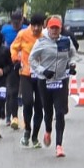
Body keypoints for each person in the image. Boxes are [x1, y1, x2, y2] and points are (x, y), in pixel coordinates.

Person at [29, 15, 79, 156]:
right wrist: (43, 71)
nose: (55, 31)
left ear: (60, 28)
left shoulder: (66, 41)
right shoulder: (41, 42)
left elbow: (73, 54)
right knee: (48, 111)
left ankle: (59, 146)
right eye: (52, 28)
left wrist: (72, 65)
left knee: (60, 112)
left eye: (57, 28)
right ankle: (48, 130)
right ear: (48, 28)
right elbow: (31, 59)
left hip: (61, 80)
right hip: (45, 81)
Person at [9, 13, 45, 145]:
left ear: (43, 25)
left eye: (39, 26)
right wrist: (16, 60)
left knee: (39, 106)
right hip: (26, 73)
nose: (36, 28)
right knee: (28, 102)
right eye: (33, 25)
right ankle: (27, 130)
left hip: (41, 75)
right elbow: (13, 48)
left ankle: (35, 136)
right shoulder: (23, 34)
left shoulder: (45, 36)